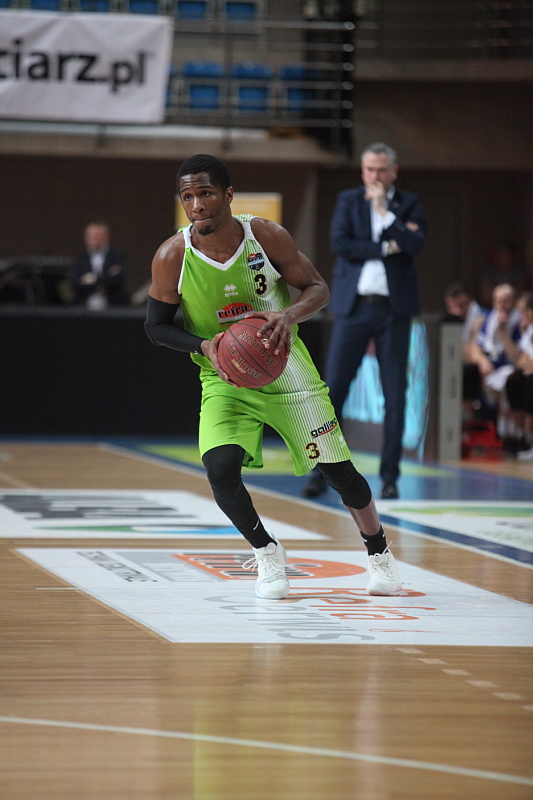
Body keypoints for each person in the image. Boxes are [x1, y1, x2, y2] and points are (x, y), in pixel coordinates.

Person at [144, 153, 402, 600]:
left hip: (287, 372)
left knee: (339, 472)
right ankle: (267, 551)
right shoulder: (172, 256)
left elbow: (318, 288)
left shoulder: (264, 236)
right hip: (226, 377)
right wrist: (204, 346)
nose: (196, 205)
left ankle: (379, 552)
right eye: (187, 196)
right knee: (220, 470)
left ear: (228, 194)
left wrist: (288, 314)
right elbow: (155, 327)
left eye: (205, 193)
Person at [303, 142, 427, 501]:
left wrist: (386, 214)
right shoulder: (348, 201)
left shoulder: (409, 203)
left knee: (395, 396)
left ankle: (389, 478)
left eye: (382, 169)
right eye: (370, 169)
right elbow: (341, 244)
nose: (375, 175)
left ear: (394, 171)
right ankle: (321, 472)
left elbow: (415, 244)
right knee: (333, 392)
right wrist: (387, 247)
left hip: (393, 311)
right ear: (362, 171)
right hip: (353, 308)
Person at [468, 283, 521, 443]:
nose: (502, 305)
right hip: (491, 366)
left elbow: (518, 356)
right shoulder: (489, 318)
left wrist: (503, 332)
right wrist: (482, 361)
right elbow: (476, 346)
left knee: (508, 384)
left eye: (506, 301)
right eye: (498, 301)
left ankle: (509, 435)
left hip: (511, 367)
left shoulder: (519, 321)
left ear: (514, 302)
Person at [443, 282, 487, 416]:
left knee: (467, 371)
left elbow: (473, 353)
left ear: (470, 302)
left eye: (461, 305)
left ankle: (468, 417)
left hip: (482, 367)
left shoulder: (482, 318)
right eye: (452, 307)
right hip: (462, 364)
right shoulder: (451, 321)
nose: (457, 311)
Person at [71, 221, 129, 309]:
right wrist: (105, 277)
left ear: (106, 237)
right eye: (90, 235)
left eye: (97, 235)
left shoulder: (117, 255)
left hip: (113, 304)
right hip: (85, 305)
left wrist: (92, 278)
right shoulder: (80, 258)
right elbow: (75, 282)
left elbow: (118, 277)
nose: (93, 238)